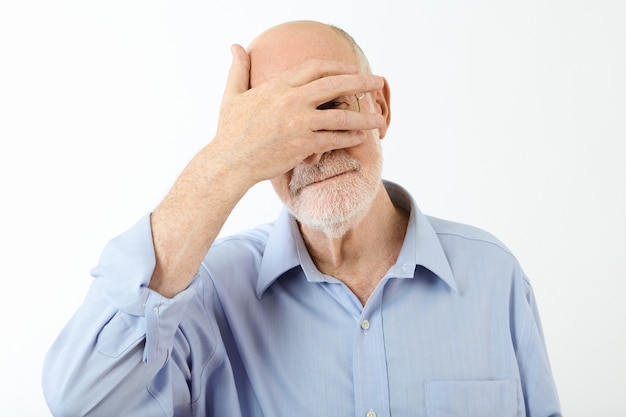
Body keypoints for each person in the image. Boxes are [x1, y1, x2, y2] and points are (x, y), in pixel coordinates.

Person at [42, 20, 561, 417]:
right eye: (276, 130)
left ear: (379, 106)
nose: (310, 153)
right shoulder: (208, 295)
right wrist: (224, 161)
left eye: (329, 108)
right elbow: (83, 401)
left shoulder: (494, 275)